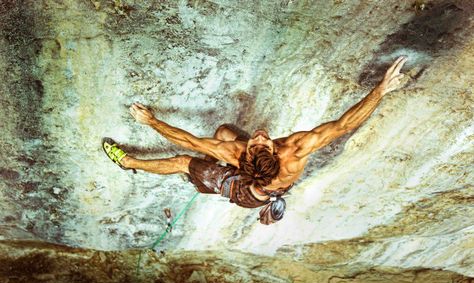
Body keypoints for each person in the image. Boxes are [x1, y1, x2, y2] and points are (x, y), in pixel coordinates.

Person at [103, 56, 407, 225]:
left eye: (259, 142)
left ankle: (130, 163)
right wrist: (380, 90)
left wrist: (152, 121)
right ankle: (202, 176)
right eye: (257, 143)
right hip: (262, 181)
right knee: (222, 132)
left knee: (185, 161)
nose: (259, 136)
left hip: (247, 194)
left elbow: (189, 144)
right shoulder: (270, 151)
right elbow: (341, 126)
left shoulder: (269, 154)